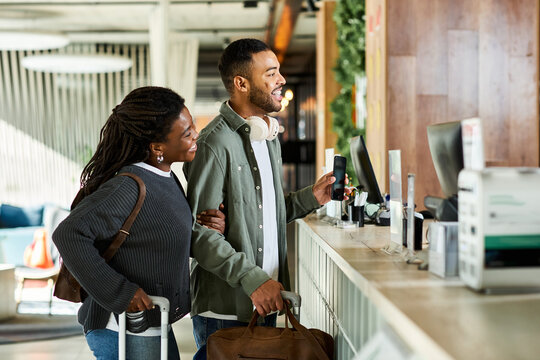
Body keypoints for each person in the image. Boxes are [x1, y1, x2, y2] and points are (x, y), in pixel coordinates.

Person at [183, 38, 350, 359]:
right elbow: (201, 236)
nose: (281, 80)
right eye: (271, 73)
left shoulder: (268, 137)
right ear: (241, 83)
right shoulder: (214, 144)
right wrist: (253, 279)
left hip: (267, 296)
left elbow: (264, 214)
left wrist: (312, 197)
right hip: (228, 309)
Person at [53, 86, 225, 360]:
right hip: (122, 325)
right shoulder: (128, 186)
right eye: (186, 133)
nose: (196, 136)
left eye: (192, 127)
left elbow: (154, 237)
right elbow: (68, 235)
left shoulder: (166, 177)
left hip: (151, 320)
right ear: (157, 147)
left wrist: (203, 229)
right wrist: (122, 292)